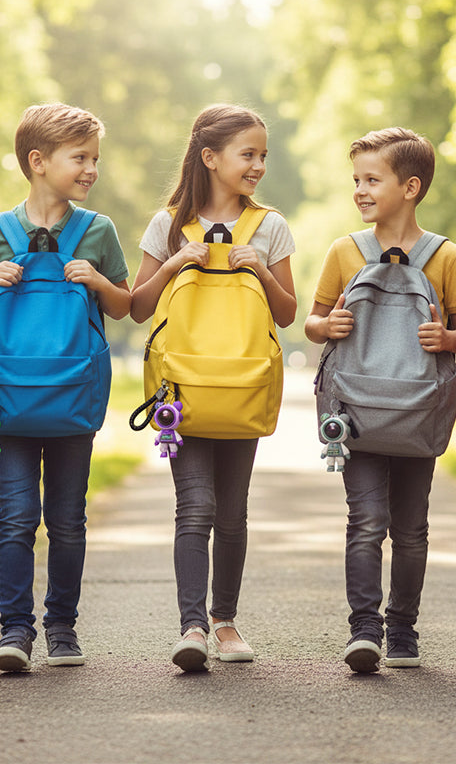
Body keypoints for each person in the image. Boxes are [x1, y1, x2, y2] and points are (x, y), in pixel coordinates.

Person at [0, 103, 131, 671]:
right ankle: (14, 631)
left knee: (68, 519)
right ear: (38, 161)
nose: (91, 169)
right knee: (16, 518)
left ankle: (62, 627)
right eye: (80, 158)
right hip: (6, 404)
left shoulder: (97, 230)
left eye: (94, 159)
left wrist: (97, 279)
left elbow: (125, 307)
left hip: (73, 400)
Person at [304, 128, 456, 672]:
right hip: (354, 411)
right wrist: (325, 324)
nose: (359, 190)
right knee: (366, 520)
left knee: (411, 527)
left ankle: (402, 628)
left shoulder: (445, 256)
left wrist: (447, 340)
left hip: (417, 411)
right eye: (355, 179)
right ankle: (365, 629)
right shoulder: (343, 251)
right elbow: (311, 322)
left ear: (410, 186)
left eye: (371, 180)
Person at [130, 104, 296, 672]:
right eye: (248, 155)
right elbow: (137, 307)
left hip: (242, 387)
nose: (258, 166)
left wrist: (263, 270)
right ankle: (193, 626)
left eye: (263, 156)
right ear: (210, 157)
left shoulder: (270, 225)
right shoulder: (168, 225)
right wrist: (178, 259)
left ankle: (224, 620)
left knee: (232, 512)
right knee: (193, 509)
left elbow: (289, 313)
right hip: (183, 389)